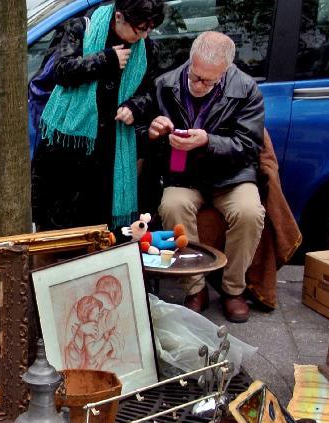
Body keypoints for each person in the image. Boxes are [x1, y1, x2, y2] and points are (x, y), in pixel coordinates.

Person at [129, 31, 265, 322]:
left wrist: (208, 141)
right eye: (194, 75)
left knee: (249, 212)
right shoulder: (165, 84)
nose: (197, 84)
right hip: (184, 175)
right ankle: (195, 287)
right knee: (172, 206)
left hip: (232, 176)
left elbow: (250, 147)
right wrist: (153, 132)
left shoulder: (246, 88)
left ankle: (233, 289)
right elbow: (139, 136)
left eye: (207, 80)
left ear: (225, 71)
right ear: (191, 61)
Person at [30, 0, 165, 231]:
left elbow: (151, 92)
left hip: (111, 152)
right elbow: (61, 71)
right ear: (119, 17)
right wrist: (106, 59)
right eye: (139, 29)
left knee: (100, 228)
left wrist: (134, 106)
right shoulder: (81, 28)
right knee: (59, 228)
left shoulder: (147, 50)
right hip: (67, 151)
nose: (143, 36)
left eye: (148, 29)